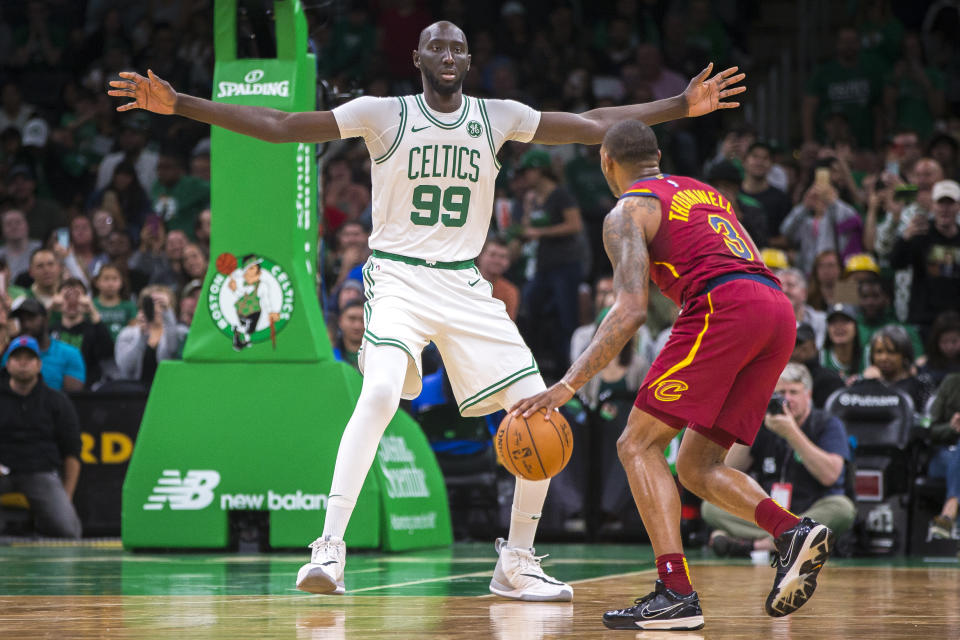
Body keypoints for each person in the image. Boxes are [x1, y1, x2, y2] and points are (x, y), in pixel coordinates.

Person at [109, 20, 745, 601]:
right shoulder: (383, 114)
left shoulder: (497, 116)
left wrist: (679, 106)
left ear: (469, 60)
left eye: (458, 47)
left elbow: (593, 120)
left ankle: (517, 562)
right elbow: (281, 127)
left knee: (538, 409)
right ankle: (329, 549)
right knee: (381, 393)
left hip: (465, 286)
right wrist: (182, 104)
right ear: (416, 58)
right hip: (398, 278)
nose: (447, 55)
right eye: (436, 46)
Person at [512, 120, 832, 629]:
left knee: (635, 445)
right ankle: (790, 530)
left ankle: (675, 591)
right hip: (775, 311)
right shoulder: (705, 192)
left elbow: (631, 310)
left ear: (606, 163)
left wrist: (568, 384)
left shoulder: (627, 210)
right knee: (696, 465)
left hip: (722, 306)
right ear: (657, 156)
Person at [702, 363, 856, 558]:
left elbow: (831, 476)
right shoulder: (763, 423)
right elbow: (729, 467)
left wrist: (792, 433)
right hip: (767, 516)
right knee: (711, 507)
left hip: (810, 511)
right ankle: (787, 542)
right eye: (781, 393)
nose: (787, 399)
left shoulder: (826, 423)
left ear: (808, 395)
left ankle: (755, 544)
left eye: (794, 392)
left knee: (842, 508)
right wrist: (752, 423)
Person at [0, 335, 82, 538]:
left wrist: (67, 496)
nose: (23, 363)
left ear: (39, 364)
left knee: (69, 531)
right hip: (2, 471)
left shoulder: (57, 401)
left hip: (40, 473)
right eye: (17, 358)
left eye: (29, 358)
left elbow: (72, 452)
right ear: (8, 364)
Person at [889, 179, 960, 333]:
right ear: (933, 206)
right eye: (941, 203)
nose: (945, 209)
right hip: (924, 320)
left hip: (956, 322)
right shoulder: (920, 234)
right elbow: (896, 264)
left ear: (958, 207)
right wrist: (905, 238)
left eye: (950, 204)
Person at [6, 297, 85, 392]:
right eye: (21, 320)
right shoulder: (10, 353)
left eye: (31, 318)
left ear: (45, 319)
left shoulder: (70, 354)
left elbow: (74, 397)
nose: (26, 324)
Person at [48, 278, 114, 389]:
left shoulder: (94, 328)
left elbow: (107, 352)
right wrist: (50, 306)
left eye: (77, 296)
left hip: (87, 389)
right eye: (67, 296)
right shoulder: (51, 328)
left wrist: (92, 310)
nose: (72, 302)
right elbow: (32, 337)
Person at [114, 285, 186, 387]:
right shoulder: (127, 333)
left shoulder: (180, 332)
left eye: (161, 305)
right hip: (134, 394)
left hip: (169, 388)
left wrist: (168, 317)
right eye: (151, 304)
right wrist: (142, 336)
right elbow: (125, 368)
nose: (156, 309)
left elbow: (172, 351)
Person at [925, 372, 960, 539]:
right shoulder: (951, 382)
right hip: (945, 456)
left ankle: (949, 511)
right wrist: (951, 428)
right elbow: (929, 429)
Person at [791, 323, 845, 409]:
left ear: (813, 346)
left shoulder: (829, 379)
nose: (798, 349)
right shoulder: (779, 379)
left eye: (798, 342)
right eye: (791, 343)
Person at [476, 235, 520, 322]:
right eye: (492, 255)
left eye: (503, 257)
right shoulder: (462, 281)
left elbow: (507, 325)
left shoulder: (510, 291)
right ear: (480, 255)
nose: (497, 261)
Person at [821, 303, 864, 381]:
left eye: (845, 321)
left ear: (856, 327)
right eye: (833, 322)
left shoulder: (868, 355)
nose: (838, 326)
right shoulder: (821, 357)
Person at [0, 208, 42, 283]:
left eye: (18, 222)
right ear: (2, 229)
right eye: (9, 224)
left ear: (27, 225)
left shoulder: (41, 248)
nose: (14, 227)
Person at [332, 298, 363, 370]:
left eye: (363, 320)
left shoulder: (378, 357)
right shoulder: (331, 356)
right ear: (340, 321)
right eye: (352, 318)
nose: (357, 326)